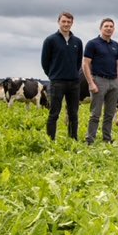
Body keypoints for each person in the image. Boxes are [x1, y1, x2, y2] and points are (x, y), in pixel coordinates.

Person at [41, 11, 83, 140]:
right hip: (57, 82)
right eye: (63, 21)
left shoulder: (78, 41)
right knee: (54, 113)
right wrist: (53, 75)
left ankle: (73, 140)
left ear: (72, 23)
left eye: (69, 22)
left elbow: (78, 62)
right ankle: (50, 140)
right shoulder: (50, 40)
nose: (66, 24)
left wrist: (73, 74)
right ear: (58, 22)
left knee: (73, 114)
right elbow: (44, 61)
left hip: (74, 83)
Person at [82, 18, 118, 145]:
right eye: (106, 26)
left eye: (111, 26)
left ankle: (107, 139)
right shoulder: (92, 44)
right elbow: (86, 64)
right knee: (95, 114)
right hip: (99, 80)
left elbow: (117, 63)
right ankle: (90, 140)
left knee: (110, 114)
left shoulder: (115, 45)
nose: (109, 28)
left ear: (113, 29)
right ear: (101, 28)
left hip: (113, 81)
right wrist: (91, 83)